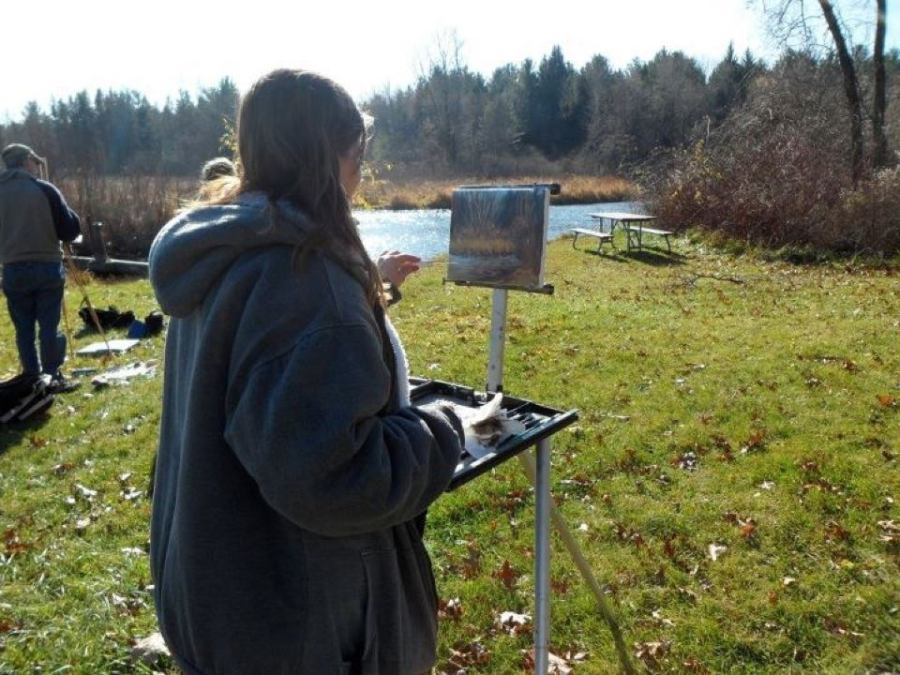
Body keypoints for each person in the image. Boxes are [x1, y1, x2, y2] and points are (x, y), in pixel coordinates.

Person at [148, 68, 463, 675]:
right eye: (357, 157)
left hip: (221, 592)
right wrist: (445, 429)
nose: (360, 177)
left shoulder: (224, 250)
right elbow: (336, 478)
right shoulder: (304, 279)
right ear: (331, 157)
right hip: (297, 623)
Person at [0, 143, 81, 392]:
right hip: (46, 266)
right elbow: (70, 230)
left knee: (23, 329)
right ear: (26, 161)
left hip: (12, 268)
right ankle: (52, 377)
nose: (37, 166)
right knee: (48, 326)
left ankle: (32, 378)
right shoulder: (44, 189)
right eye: (35, 162)